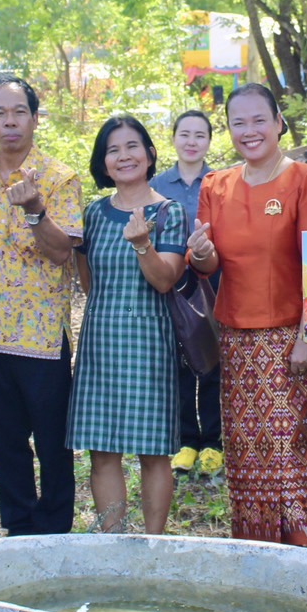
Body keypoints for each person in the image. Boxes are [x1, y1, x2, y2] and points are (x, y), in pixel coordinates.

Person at [186, 83, 307, 546]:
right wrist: (201, 252)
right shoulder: (216, 185)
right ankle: (258, 553)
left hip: (291, 338)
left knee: (294, 452)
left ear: (278, 123)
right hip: (234, 338)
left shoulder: (306, 181)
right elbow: (210, 266)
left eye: (258, 120)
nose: (249, 131)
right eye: (238, 123)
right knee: (248, 455)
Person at [0, 77, 82, 536]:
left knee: (52, 441)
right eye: (0, 112)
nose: (10, 121)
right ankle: (18, 525)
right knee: (3, 439)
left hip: (42, 335)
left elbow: (61, 252)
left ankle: (53, 529)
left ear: (35, 117)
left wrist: (35, 209)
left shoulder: (58, 177)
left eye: (19, 112)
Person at [68, 115, 188, 534]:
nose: (124, 156)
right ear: (103, 164)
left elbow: (164, 279)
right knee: (102, 451)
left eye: (132, 146)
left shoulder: (168, 212)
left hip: (149, 340)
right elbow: (88, 280)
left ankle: (153, 546)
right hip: (101, 339)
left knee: (154, 452)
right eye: (113, 150)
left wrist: (142, 245)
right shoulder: (94, 214)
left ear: (150, 153)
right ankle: (112, 546)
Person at [151, 110, 223, 479]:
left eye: (200, 135)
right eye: (185, 134)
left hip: (211, 284)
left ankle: (213, 442)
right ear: (174, 138)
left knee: (211, 363)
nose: (192, 141)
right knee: (177, 362)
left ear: (210, 141)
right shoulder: (158, 185)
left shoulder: (220, 182)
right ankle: (186, 440)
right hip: (171, 285)